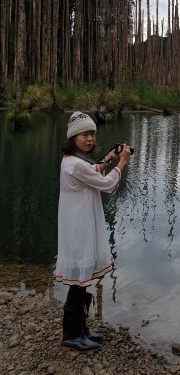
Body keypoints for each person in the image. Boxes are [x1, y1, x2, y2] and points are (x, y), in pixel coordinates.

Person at [55, 111, 131, 351]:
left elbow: (93, 170)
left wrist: (108, 157)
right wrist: (122, 163)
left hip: (79, 225)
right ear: (73, 137)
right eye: (84, 134)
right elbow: (107, 184)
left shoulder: (74, 161)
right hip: (79, 229)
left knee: (82, 281)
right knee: (78, 283)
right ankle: (71, 335)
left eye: (92, 134)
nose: (89, 139)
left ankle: (81, 330)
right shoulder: (74, 165)